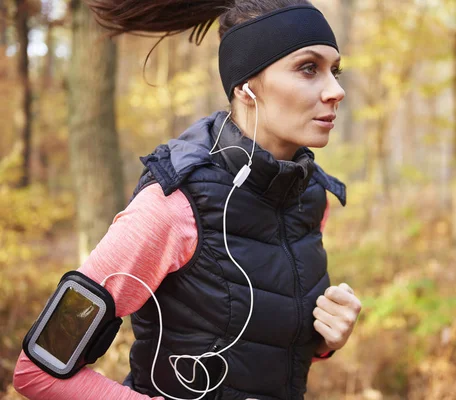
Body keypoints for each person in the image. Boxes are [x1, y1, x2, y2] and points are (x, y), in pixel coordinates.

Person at [13, 0, 362, 399]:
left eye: (334, 71)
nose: (337, 91)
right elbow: (38, 370)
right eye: (308, 68)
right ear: (246, 86)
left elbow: (260, 346)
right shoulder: (173, 203)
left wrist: (325, 341)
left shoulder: (311, 195)